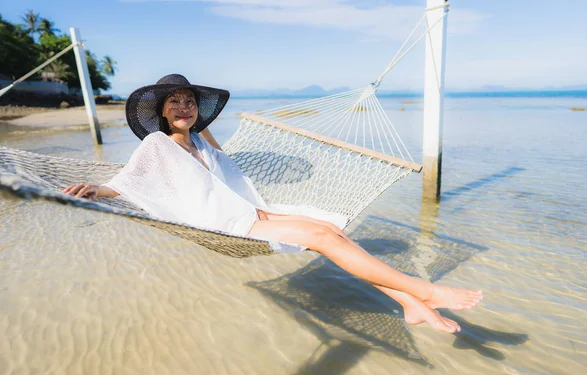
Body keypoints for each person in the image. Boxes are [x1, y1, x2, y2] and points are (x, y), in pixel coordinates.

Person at [63, 74, 483, 333]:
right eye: (174, 102)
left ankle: (409, 305)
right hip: (227, 225)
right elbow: (130, 180)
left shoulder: (204, 147)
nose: (184, 107)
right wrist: (98, 189)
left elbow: (224, 170)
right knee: (321, 235)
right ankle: (425, 292)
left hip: (255, 212)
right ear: (161, 110)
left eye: (189, 101)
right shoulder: (158, 145)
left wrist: (205, 135)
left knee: (333, 231)